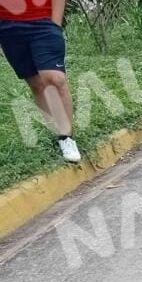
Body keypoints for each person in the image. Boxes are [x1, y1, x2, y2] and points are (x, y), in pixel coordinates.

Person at [0, 0, 81, 162]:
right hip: (8, 28)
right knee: (37, 85)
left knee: (55, 79)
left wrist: (55, 25)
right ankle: (57, 133)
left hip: (43, 23)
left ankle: (66, 138)